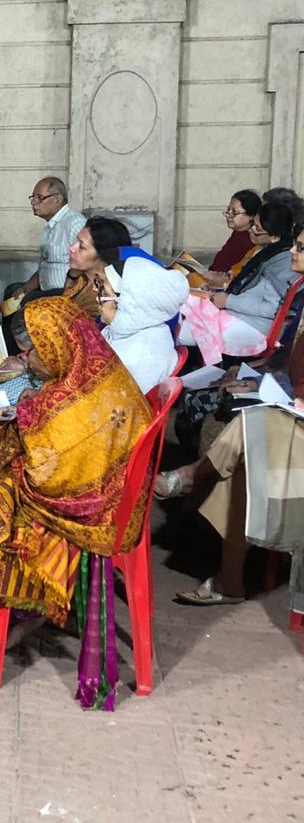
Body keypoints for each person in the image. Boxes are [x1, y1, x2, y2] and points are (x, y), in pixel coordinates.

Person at [0, 297, 151, 709]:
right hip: (108, 507)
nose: (25, 356)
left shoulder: (55, 405)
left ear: (56, 347)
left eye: (33, 348)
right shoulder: (106, 378)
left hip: (70, 519)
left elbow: (41, 480)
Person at [155, 228, 304, 606]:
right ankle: (228, 581)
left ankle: (191, 477)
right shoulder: (301, 295)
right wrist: (257, 377)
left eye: (301, 248)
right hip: (292, 411)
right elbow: (287, 360)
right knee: (240, 470)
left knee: (254, 425)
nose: (292, 254)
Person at [178, 201, 296, 360]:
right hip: (237, 314)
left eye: (258, 228)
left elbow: (273, 308)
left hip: (255, 327)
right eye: (253, 224)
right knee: (178, 308)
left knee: (177, 330)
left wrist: (228, 301)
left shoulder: (283, 264)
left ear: (275, 236)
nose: (251, 230)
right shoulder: (266, 253)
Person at [99, 256, 189, 393]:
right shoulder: (131, 332)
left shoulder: (138, 355)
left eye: (102, 290)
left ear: (126, 303)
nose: (96, 294)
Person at [12, 177, 87, 297]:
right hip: (46, 287)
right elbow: (44, 267)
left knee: (25, 304)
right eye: (33, 197)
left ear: (57, 199)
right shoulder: (51, 226)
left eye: (40, 198)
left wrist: (69, 287)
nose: (33, 202)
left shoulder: (75, 223)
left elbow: (87, 260)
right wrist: (25, 288)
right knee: (12, 292)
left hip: (65, 292)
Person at [63, 216, 134, 319]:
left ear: (102, 255)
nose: (72, 248)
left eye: (82, 247)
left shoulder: (109, 296)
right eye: (76, 241)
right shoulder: (80, 278)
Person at [197, 189, 261, 287]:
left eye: (235, 212)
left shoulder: (249, 240)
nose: (229, 216)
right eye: (228, 211)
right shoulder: (238, 234)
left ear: (251, 216)